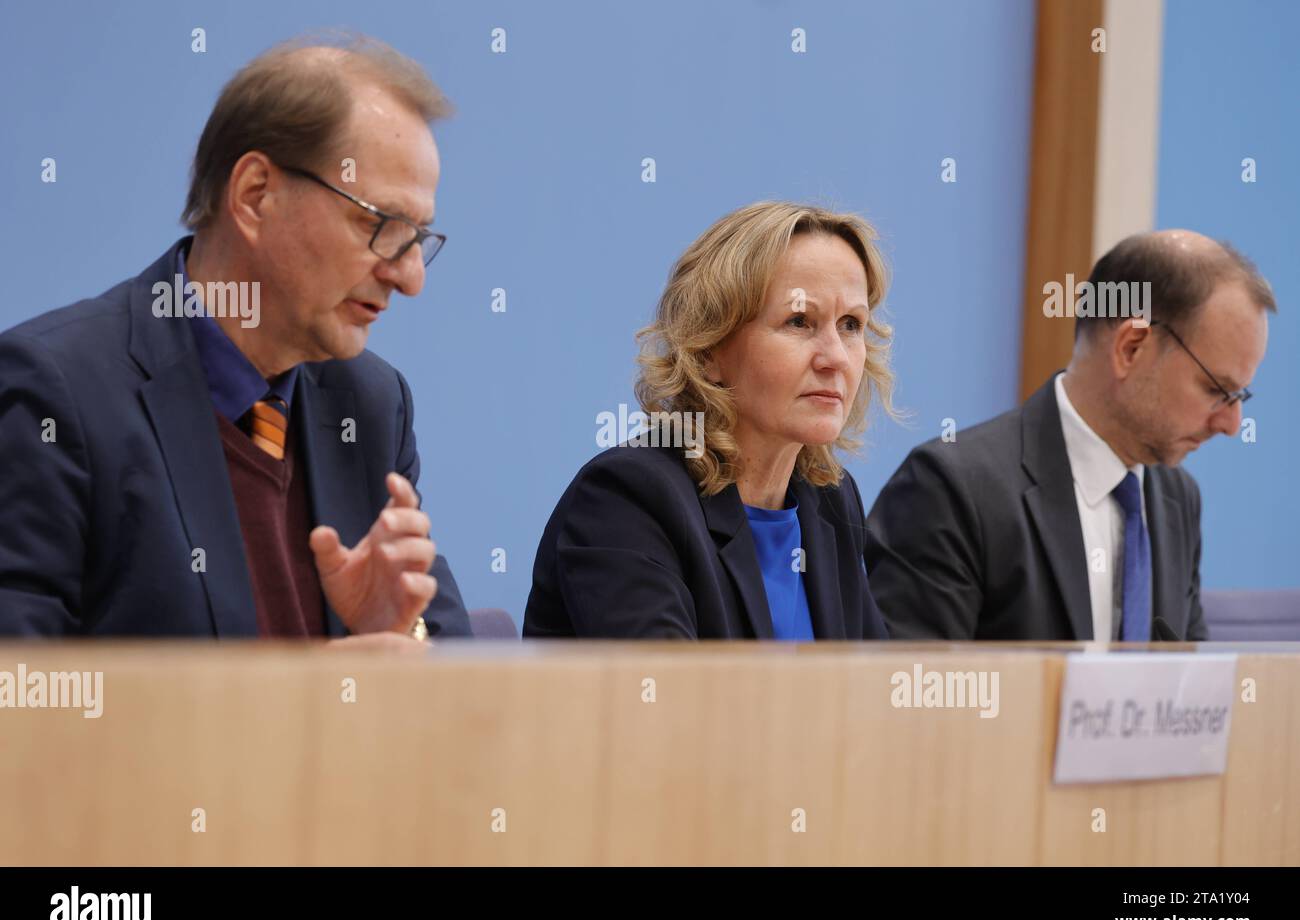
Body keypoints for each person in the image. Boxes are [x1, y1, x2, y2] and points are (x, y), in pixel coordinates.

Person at [0, 34, 471, 640]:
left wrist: (400, 637)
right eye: (379, 224)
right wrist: (312, 698)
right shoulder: (56, 393)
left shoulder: (370, 403)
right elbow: (22, 702)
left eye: (418, 237)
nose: (408, 278)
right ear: (255, 195)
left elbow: (453, 667)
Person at [865, 231, 1274, 642]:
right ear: (1131, 349)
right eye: (1216, 390)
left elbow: (1193, 690)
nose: (1232, 424)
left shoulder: (1177, 497)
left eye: (1240, 397)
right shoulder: (951, 489)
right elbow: (918, 698)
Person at [525, 201, 898, 639]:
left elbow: (872, 693)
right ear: (709, 350)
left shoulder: (830, 500)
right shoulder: (628, 498)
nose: (836, 356)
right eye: (799, 321)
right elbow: (667, 701)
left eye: (851, 324)